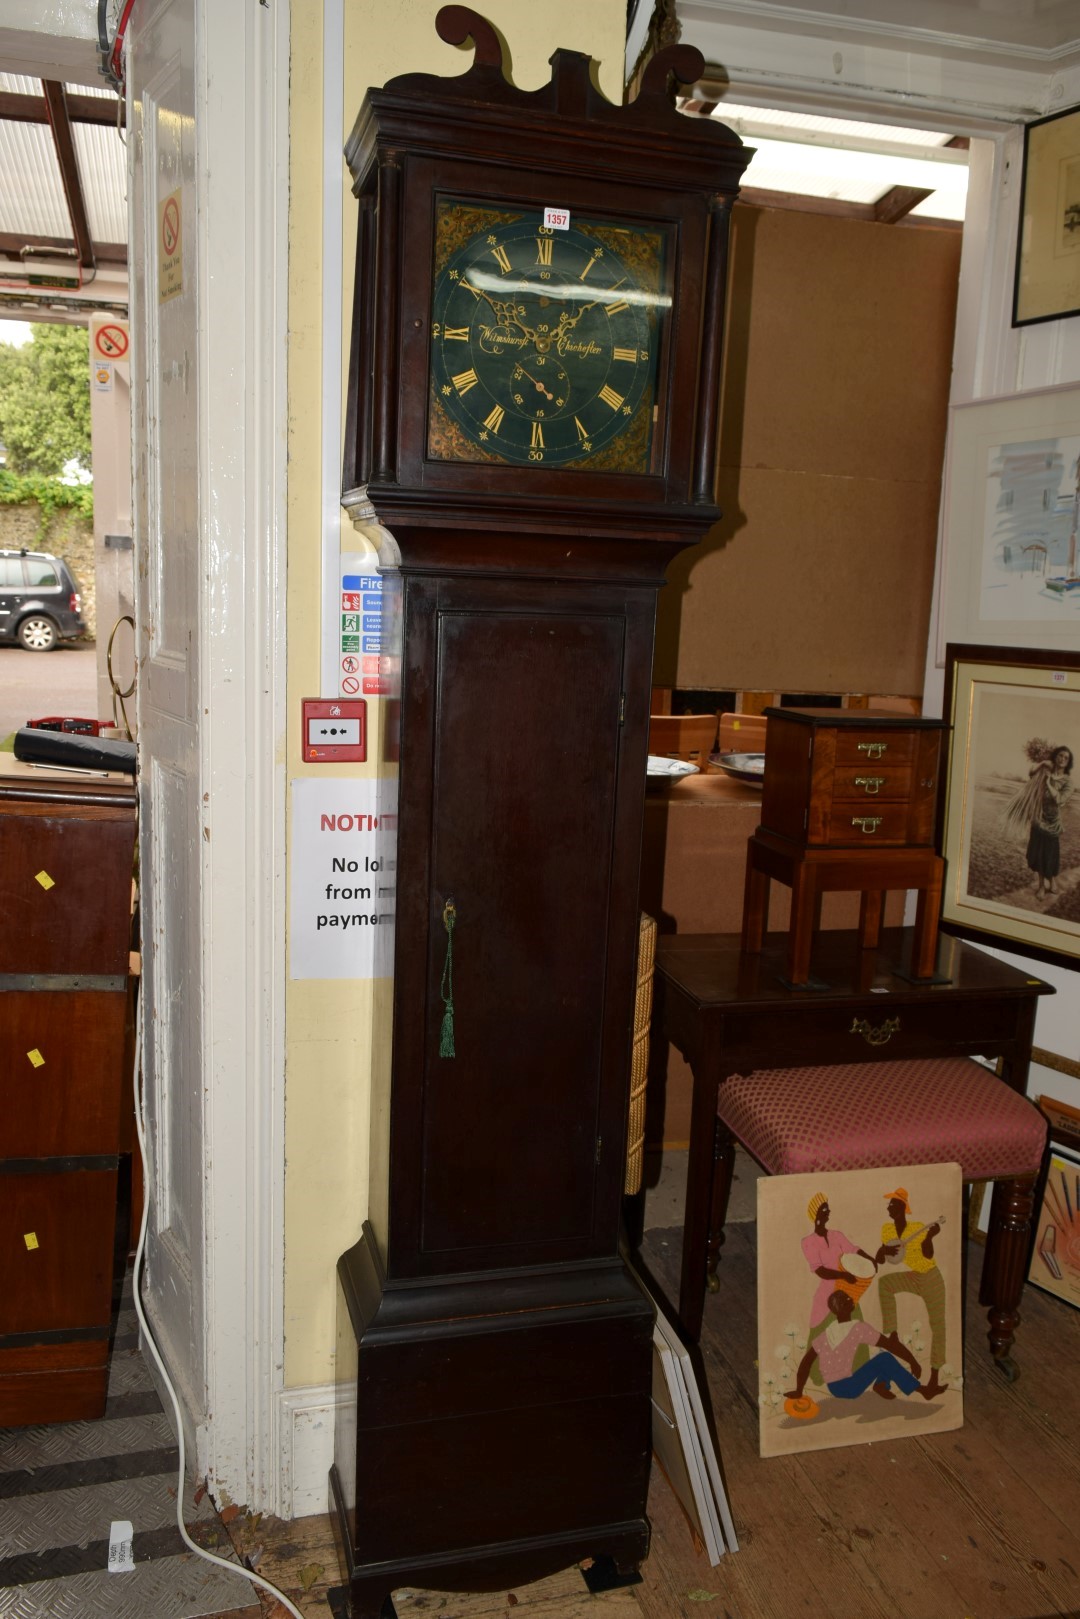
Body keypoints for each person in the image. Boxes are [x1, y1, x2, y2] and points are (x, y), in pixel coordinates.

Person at [785, 1287, 936, 1405]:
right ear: (844, 1307)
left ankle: (881, 1385)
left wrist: (799, 1390)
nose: (851, 1299)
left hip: (834, 1388)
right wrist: (912, 1361)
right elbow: (891, 1345)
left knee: (879, 1353)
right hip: (849, 1387)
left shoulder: (826, 1333)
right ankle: (921, 1390)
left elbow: (806, 1361)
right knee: (884, 1357)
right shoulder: (857, 1328)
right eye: (846, 1299)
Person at [875, 1188, 948, 1399]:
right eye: (888, 1205)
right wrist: (883, 1251)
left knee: (938, 1326)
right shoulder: (888, 1230)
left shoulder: (917, 1228)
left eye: (893, 1204)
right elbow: (881, 1259)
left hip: (931, 1277)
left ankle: (933, 1380)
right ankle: (893, 1334)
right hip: (915, 1276)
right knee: (885, 1284)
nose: (889, 1207)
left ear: (903, 1208)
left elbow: (928, 1254)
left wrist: (929, 1238)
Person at [1004, 743, 1074, 899]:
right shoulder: (1044, 772)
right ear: (1055, 757)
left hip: (1053, 823)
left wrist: (1049, 783)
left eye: (1066, 758)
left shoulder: (1068, 782)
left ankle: (1053, 880)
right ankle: (1042, 886)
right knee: (1039, 853)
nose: (1062, 759)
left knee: (1050, 854)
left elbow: (1059, 800)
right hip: (1037, 818)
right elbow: (1031, 773)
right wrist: (1042, 763)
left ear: (1068, 762)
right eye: (1060, 755)